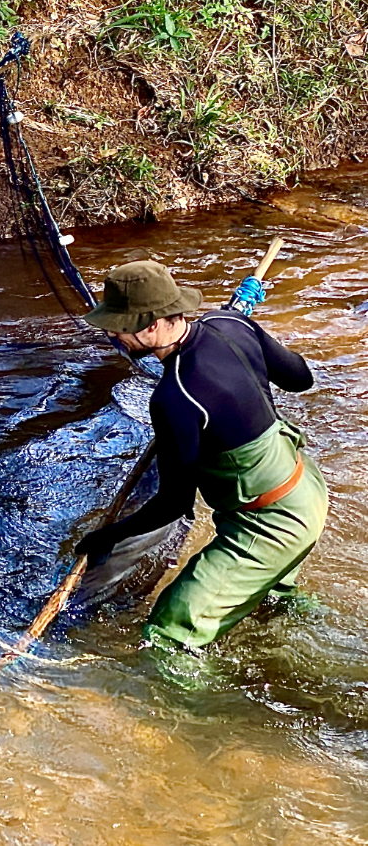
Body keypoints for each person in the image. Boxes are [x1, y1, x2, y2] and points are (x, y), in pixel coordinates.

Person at [77, 260, 329, 650]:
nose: (112, 334)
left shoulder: (175, 397)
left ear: (150, 326)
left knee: (168, 634)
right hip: (306, 489)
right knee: (271, 598)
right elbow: (300, 378)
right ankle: (305, 626)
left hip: (270, 524)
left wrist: (105, 536)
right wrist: (247, 333)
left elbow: (173, 504)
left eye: (118, 326)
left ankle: (186, 711)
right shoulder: (230, 324)